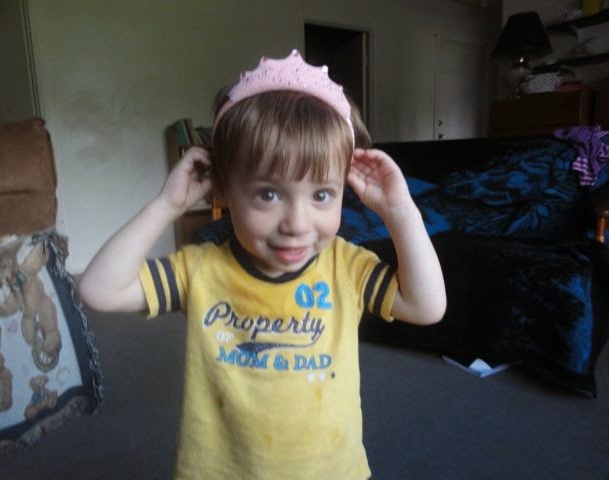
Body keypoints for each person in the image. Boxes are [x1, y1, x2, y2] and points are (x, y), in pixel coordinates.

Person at [78, 50, 446, 480]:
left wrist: (400, 212)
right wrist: (167, 205)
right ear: (223, 190)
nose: (297, 224)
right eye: (268, 194)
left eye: (322, 195)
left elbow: (426, 306)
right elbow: (98, 290)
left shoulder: (346, 267)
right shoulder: (200, 271)